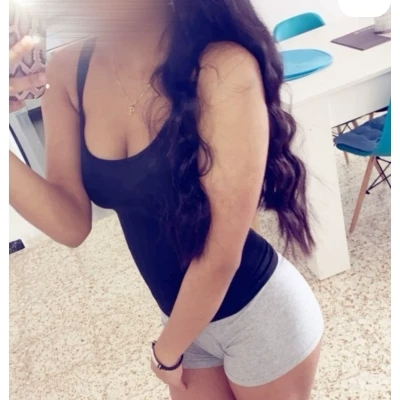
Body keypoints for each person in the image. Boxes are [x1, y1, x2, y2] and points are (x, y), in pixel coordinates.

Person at [9, 1, 324, 399]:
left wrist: (166, 354)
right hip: (183, 322)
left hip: (258, 317)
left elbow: (220, 255)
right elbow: (69, 225)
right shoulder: (68, 71)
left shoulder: (221, 67)